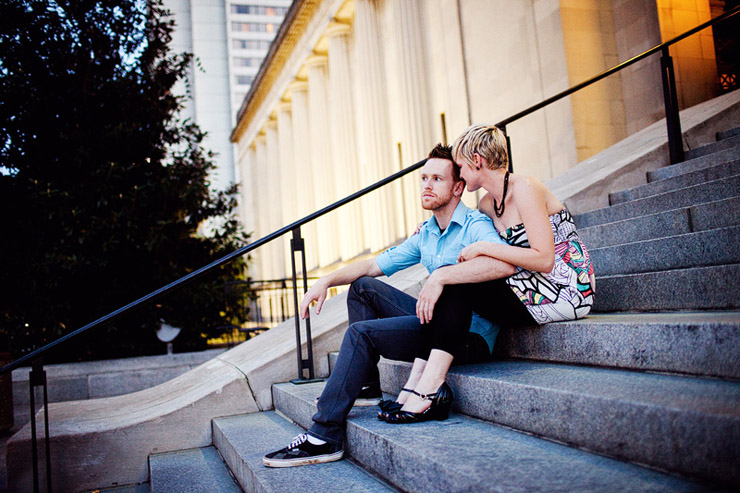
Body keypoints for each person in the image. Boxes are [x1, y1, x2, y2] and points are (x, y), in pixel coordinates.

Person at [262, 143, 516, 468]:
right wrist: (325, 281)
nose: (426, 184)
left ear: (457, 187)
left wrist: (444, 277)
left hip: (467, 337)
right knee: (363, 288)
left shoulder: (474, 226)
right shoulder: (427, 234)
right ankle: (366, 385)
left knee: (361, 334)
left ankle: (324, 436)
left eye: (437, 179)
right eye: (423, 178)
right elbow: (371, 266)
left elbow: (505, 265)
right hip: (434, 325)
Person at [382, 124, 596, 425]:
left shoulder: (526, 188)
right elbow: (475, 241)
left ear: (477, 161)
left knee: (453, 280)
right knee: (454, 277)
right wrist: (427, 230)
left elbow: (545, 259)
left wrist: (473, 254)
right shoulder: (485, 204)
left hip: (564, 288)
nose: (459, 173)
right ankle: (417, 386)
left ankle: (428, 391)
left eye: (460, 166)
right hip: (525, 285)